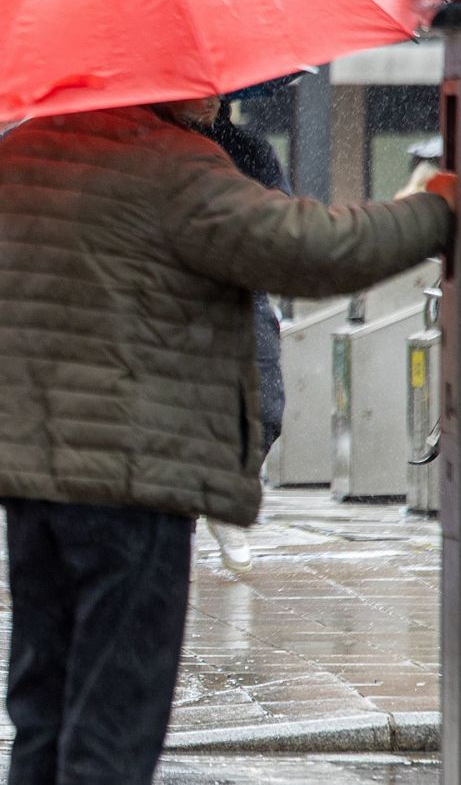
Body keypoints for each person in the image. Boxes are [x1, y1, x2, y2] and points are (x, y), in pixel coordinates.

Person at [0, 96, 457, 785]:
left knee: (44, 715)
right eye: (203, 79)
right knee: (113, 727)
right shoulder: (171, 164)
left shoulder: (20, 157)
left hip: (32, 478)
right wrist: (430, 208)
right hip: (133, 481)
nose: (216, 92)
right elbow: (303, 248)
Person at [196, 99, 292, 573]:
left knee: (266, 408)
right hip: (178, 297)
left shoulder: (250, 150)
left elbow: (284, 221)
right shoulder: (156, 151)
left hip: (244, 294)